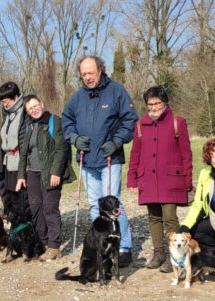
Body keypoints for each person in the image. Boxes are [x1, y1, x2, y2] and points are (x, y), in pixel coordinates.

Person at [62, 55, 138, 267]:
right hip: (87, 160)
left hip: (109, 158)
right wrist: (75, 138)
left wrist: (116, 142)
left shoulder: (116, 91)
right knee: (95, 206)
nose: (87, 78)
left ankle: (124, 247)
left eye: (91, 73)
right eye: (84, 74)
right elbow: (66, 121)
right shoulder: (77, 98)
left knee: (113, 203)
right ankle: (103, 245)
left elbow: (130, 119)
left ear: (101, 71)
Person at [127, 86, 193, 272]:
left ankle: (176, 255)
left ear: (165, 103)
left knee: (170, 218)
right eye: (150, 104)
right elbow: (135, 154)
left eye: (157, 103)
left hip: (171, 179)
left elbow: (186, 154)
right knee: (154, 217)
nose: (154, 108)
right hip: (147, 178)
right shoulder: (140, 125)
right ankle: (158, 254)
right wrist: (132, 177)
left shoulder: (177, 122)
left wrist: (187, 180)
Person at [16, 95, 76, 261]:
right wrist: (21, 175)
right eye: (30, 108)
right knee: (35, 208)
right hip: (32, 173)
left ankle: (54, 246)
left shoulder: (54, 121)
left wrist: (56, 172)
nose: (34, 110)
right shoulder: (29, 126)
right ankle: (42, 242)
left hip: (50, 172)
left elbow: (61, 149)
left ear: (42, 104)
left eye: (35, 106)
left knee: (50, 208)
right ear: (27, 112)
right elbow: (23, 153)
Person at [0, 81, 31, 219]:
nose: (4, 104)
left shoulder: (26, 111)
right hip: (7, 163)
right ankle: (16, 225)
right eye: (2, 102)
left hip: (21, 163)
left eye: (6, 101)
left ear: (16, 96)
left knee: (22, 199)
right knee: (10, 197)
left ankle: (28, 229)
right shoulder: (7, 115)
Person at [178, 138, 215, 249]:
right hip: (213, 219)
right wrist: (185, 226)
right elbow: (198, 204)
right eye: (212, 155)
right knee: (192, 231)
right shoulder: (205, 173)